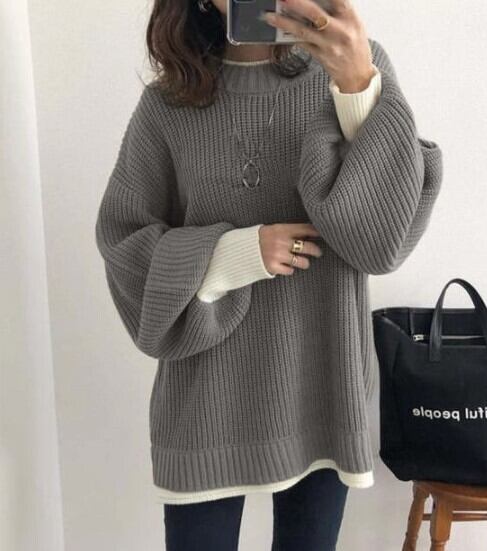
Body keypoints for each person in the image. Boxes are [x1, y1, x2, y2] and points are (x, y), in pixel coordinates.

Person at [94, 0, 443, 549]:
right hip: (207, 400)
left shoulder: (356, 65)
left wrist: (357, 87)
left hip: (323, 384)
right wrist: (235, 253)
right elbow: (123, 244)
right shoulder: (168, 103)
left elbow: (382, 244)